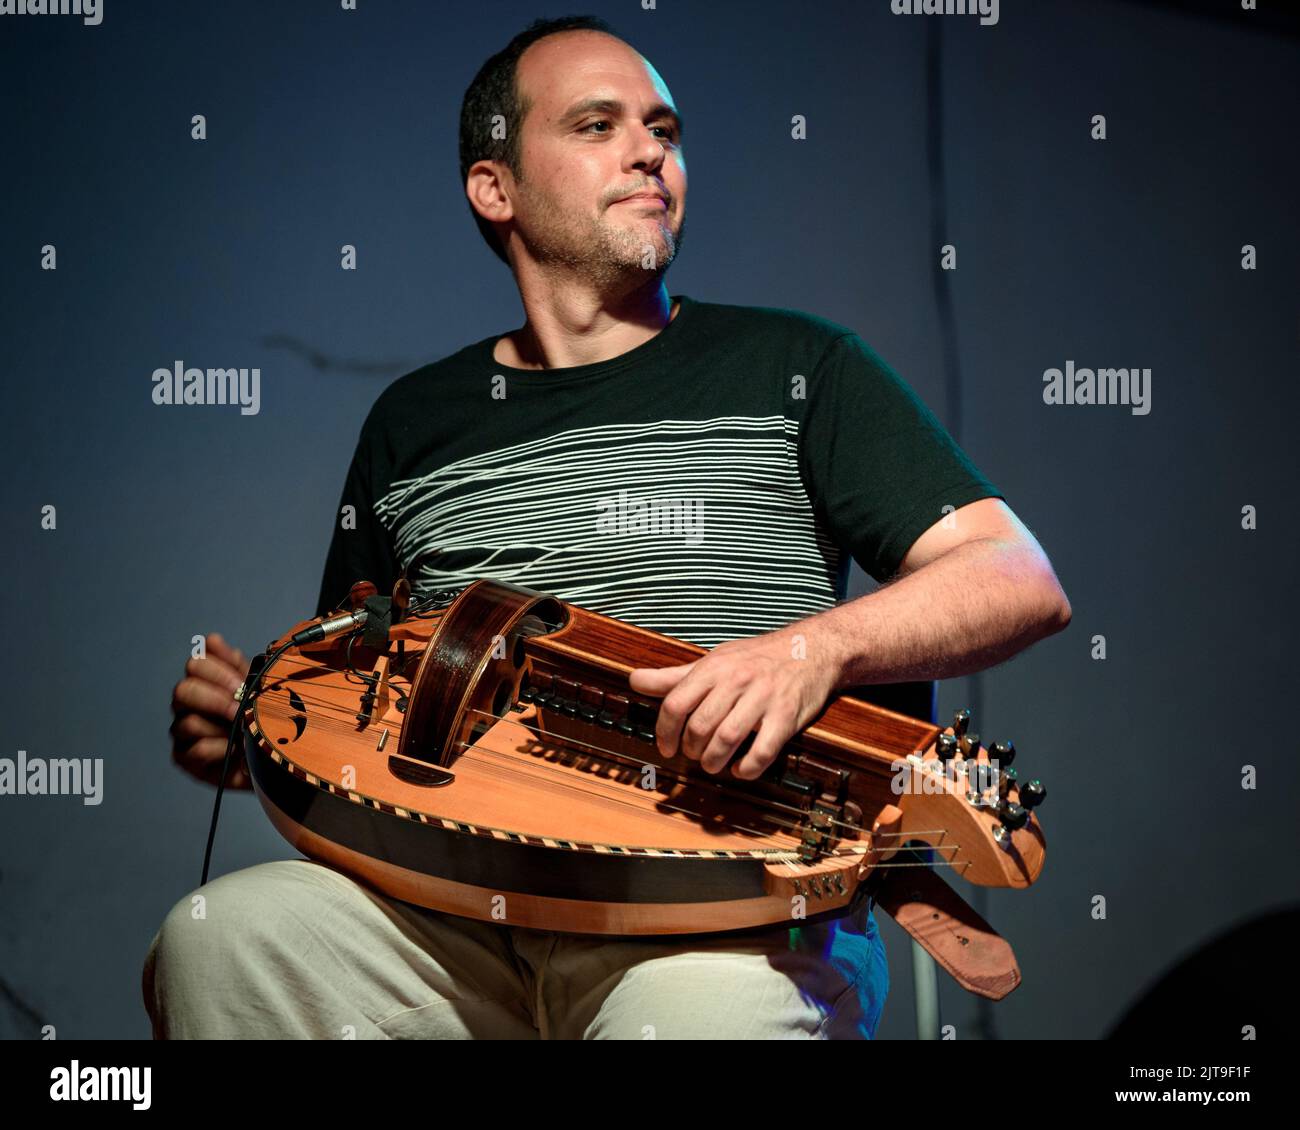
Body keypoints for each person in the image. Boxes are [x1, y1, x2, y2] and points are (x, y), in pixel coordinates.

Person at [146, 15, 1071, 1040]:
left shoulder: (795, 367)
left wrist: (812, 650)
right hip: (448, 908)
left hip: (723, 898)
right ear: (495, 187)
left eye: (663, 130)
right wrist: (257, 726)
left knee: (686, 1012)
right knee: (221, 935)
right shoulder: (411, 424)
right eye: (598, 124)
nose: (650, 151)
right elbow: (367, 685)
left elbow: (1016, 574)